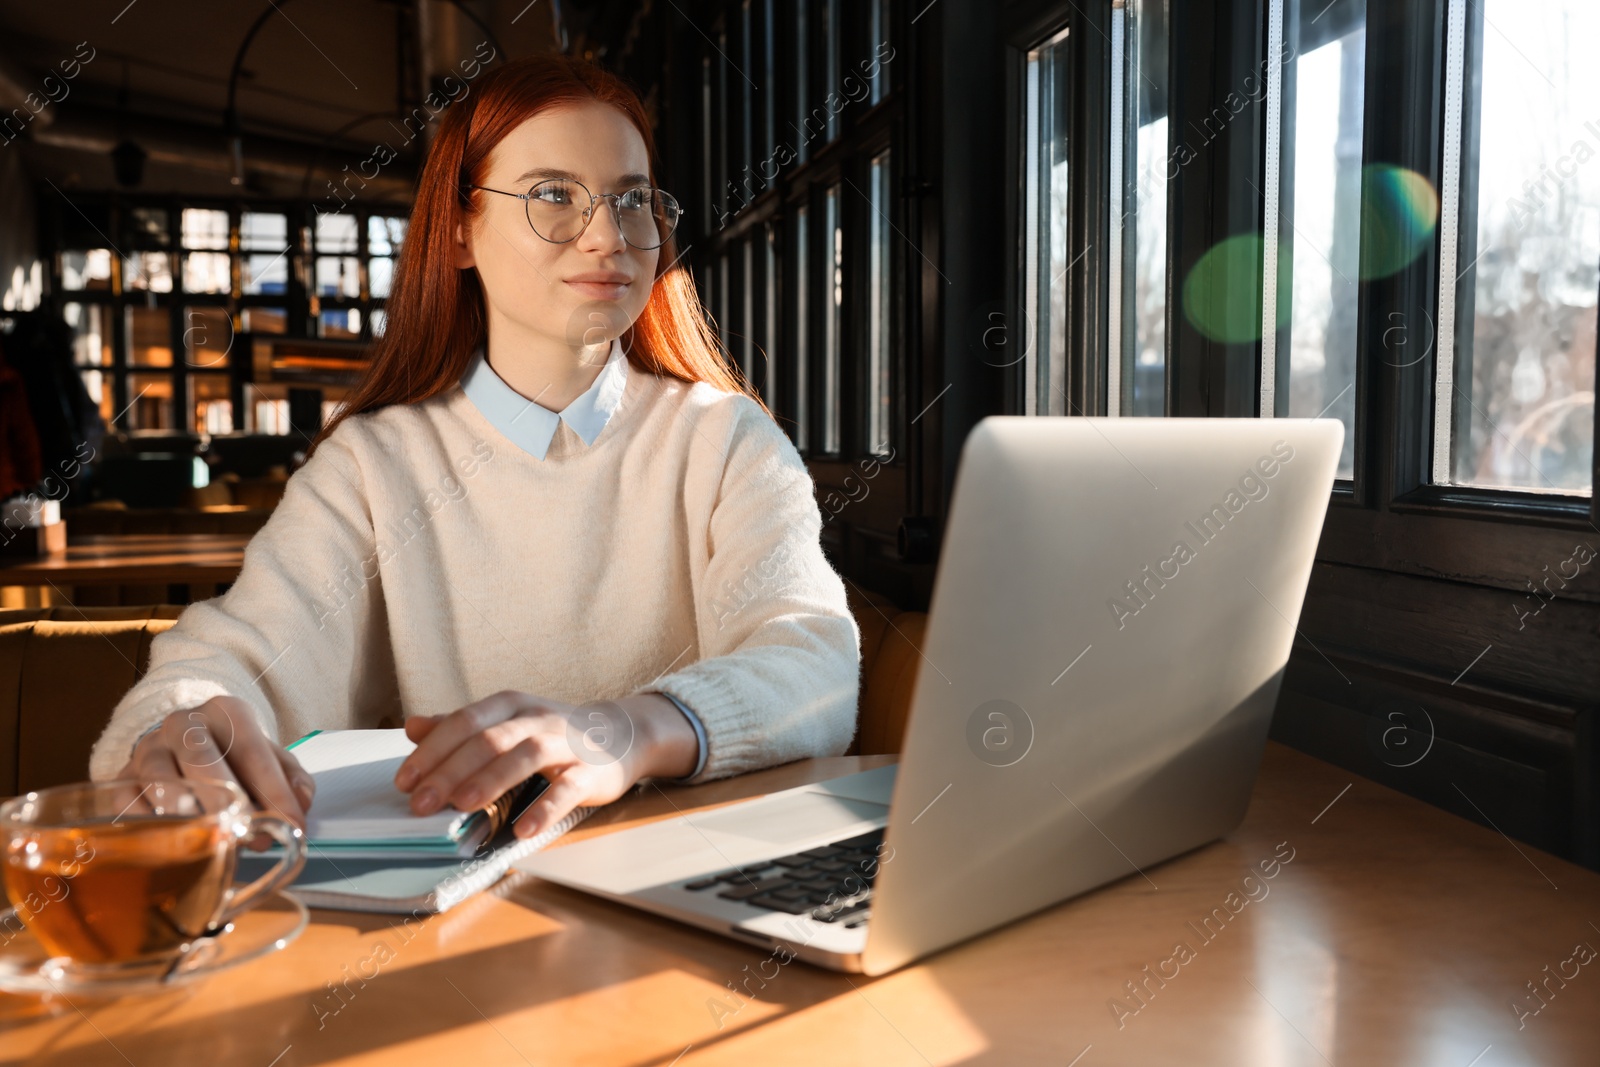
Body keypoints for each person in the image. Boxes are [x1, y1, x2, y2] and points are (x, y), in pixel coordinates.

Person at [88, 54, 862, 842]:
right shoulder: (373, 462)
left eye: (633, 201)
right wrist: (180, 723)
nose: (609, 235)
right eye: (554, 196)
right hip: (459, 906)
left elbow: (814, 662)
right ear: (458, 231)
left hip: (687, 882)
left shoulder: (725, 439)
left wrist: (621, 732)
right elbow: (239, 653)